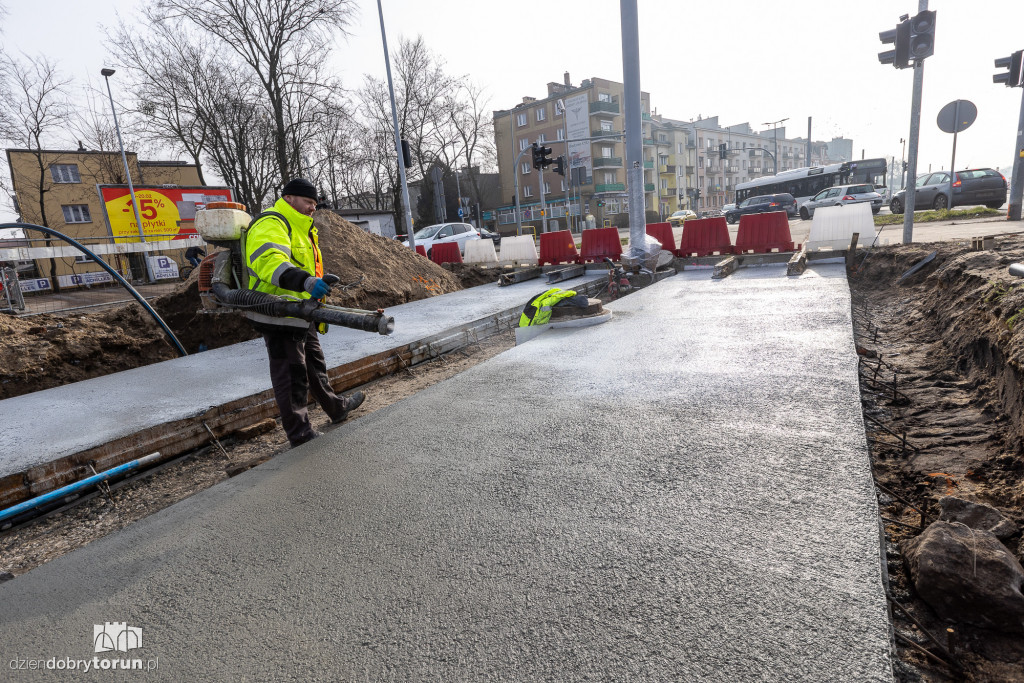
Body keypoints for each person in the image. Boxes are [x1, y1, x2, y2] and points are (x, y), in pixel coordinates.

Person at [244, 178, 365, 447]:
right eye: (308, 201)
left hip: (300, 309)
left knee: (314, 363)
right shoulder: (271, 223)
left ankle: (336, 407)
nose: (313, 207)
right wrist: (306, 282)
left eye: (314, 203)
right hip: (277, 311)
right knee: (291, 374)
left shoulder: (303, 227)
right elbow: (269, 261)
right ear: (289, 198)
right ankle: (300, 434)